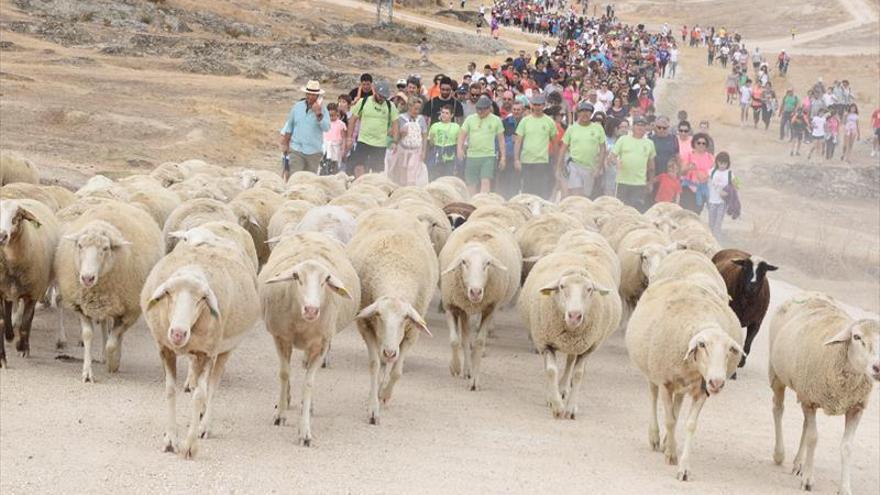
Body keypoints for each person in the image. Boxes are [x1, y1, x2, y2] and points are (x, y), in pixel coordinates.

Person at [279, 80, 331, 181]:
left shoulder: (323, 109)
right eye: (309, 93)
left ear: (317, 96)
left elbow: (327, 128)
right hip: (297, 149)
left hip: (314, 151)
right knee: (294, 178)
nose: (311, 96)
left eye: (314, 94)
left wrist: (318, 114)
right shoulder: (297, 107)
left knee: (309, 181)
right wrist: (285, 144)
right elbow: (290, 126)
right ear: (306, 93)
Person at [346, 81, 399, 177]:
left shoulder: (390, 106)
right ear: (375, 92)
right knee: (358, 165)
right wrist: (349, 138)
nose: (382, 99)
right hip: (363, 140)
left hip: (380, 143)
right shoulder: (364, 102)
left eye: (384, 97)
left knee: (377, 169)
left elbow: (395, 123)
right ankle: (360, 183)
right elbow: (352, 120)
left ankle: (373, 187)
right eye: (380, 96)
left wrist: (395, 141)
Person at [556, 101, 606, 198]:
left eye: (588, 111)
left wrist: (598, 168)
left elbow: (603, 149)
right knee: (576, 192)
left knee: (585, 195)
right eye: (582, 111)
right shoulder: (572, 128)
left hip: (590, 167)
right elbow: (563, 148)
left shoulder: (598, 128)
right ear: (578, 113)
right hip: (574, 164)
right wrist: (559, 167)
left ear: (591, 114)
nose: (585, 114)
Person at [514, 94, 558, 199]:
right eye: (535, 105)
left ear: (544, 106)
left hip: (542, 162)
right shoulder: (525, 121)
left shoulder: (549, 122)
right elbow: (518, 141)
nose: (537, 107)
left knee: (541, 191)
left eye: (540, 105)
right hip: (526, 161)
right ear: (531, 105)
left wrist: (556, 161)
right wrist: (516, 159)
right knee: (527, 192)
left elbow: (554, 143)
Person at [458, 96, 504, 194]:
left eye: (482, 109)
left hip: (488, 156)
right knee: (471, 183)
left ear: (489, 108)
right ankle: (471, 204)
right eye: (478, 109)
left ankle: (483, 202)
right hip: (472, 155)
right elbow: (462, 135)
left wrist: (503, 157)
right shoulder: (470, 119)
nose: (480, 111)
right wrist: (460, 149)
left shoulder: (496, 120)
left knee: (486, 181)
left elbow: (501, 140)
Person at [610, 116, 656, 212]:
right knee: (620, 210)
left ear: (646, 128)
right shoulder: (623, 139)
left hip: (639, 183)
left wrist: (650, 182)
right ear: (632, 127)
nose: (640, 127)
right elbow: (612, 156)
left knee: (636, 211)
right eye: (637, 125)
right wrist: (616, 162)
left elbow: (651, 165)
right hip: (623, 182)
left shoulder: (649, 143)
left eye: (643, 125)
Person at [386, 97, 429, 187]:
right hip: (402, 149)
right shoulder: (401, 118)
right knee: (401, 172)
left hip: (416, 150)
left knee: (412, 170)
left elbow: (424, 136)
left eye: (419, 109)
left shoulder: (421, 119)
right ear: (409, 107)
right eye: (415, 109)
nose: (417, 111)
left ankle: (411, 190)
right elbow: (391, 133)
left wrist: (424, 151)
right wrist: (400, 132)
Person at [680, 132, 714, 214]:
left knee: (696, 213)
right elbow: (682, 172)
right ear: (694, 144)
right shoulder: (688, 155)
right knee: (685, 213)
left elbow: (713, 174)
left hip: (702, 190)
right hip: (688, 188)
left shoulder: (710, 157)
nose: (701, 145)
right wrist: (689, 168)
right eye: (699, 143)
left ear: (706, 145)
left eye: (703, 143)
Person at [497, 100, 525, 198]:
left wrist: (520, 139)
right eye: (514, 109)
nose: (516, 111)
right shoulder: (504, 123)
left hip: (522, 157)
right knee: (505, 184)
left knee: (517, 184)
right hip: (508, 157)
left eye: (518, 110)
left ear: (523, 110)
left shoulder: (526, 123)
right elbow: (500, 140)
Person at [649, 116, 679, 203]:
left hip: (669, 177)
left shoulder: (673, 139)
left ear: (668, 128)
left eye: (664, 128)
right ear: (655, 127)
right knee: (653, 202)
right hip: (654, 175)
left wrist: (678, 176)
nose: (661, 129)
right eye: (659, 127)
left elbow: (677, 157)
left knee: (668, 204)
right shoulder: (650, 139)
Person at [427, 106, 461, 181]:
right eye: (442, 112)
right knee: (434, 177)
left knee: (448, 178)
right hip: (436, 154)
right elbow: (431, 142)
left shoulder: (456, 127)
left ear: (451, 115)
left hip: (450, 156)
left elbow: (459, 142)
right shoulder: (434, 126)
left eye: (447, 113)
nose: (444, 115)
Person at [707, 151, 734, 240]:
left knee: (718, 223)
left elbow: (737, 185)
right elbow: (705, 180)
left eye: (724, 163)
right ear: (717, 162)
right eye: (720, 163)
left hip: (723, 202)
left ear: (728, 163)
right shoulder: (712, 171)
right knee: (711, 222)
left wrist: (728, 192)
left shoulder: (730, 173)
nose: (722, 165)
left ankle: (716, 240)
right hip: (712, 201)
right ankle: (710, 239)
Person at [322, 103, 347, 175]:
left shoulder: (341, 124)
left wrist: (343, 148)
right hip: (325, 146)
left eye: (333, 115)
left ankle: (333, 174)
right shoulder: (324, 122)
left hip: (336, 147)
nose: (331, 117)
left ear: (337, 113)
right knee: (324, 163)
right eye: (329, 115)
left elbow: (343, 137)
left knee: (335, 164)